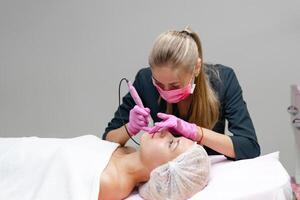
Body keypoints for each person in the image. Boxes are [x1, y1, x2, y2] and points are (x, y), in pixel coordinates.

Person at [103, 26, 260, 161]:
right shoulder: (144, 80)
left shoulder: (223, 80)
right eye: (158, 83)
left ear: (196, 68)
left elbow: (249, 147)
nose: (165, 91)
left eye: (174, 85)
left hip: (211, 172)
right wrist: (130, 128)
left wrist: (196, 132)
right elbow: (107, 140)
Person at [0, 131, 210, 200]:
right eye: (174, 136)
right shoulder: (126, 151)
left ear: (163, 173)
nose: (165, 132)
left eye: (171, 143)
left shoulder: (109, 183)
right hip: (15, 151)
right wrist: (128, 128)